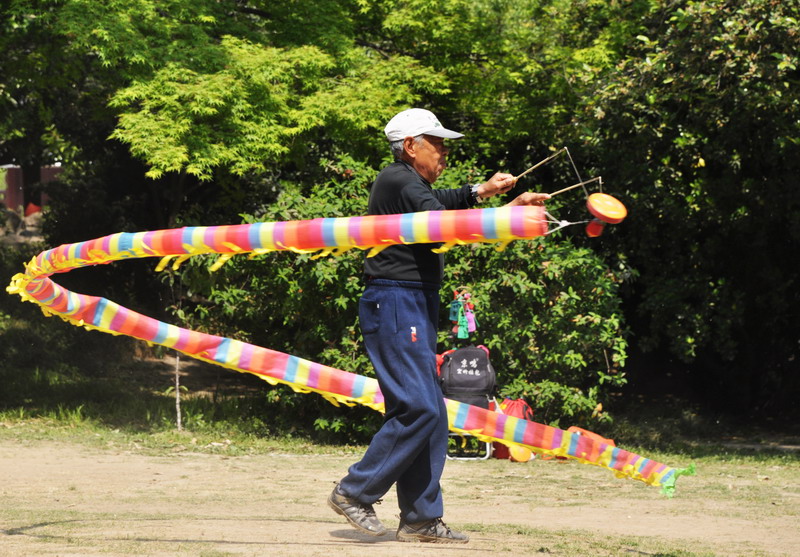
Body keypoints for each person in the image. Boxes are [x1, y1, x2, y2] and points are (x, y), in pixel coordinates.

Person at [328, 108, 549, 543]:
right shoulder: (397, 178)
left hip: (412, 301)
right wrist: (506, 212)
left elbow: (438, 204)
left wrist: (482, 191)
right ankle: (354, 491)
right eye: (438, 143)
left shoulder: (409, 184)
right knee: (420, 409)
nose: (445, 152)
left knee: (431, 415)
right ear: (411, 146)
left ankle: (420, 519)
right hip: (394, 300)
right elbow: (440, 222)